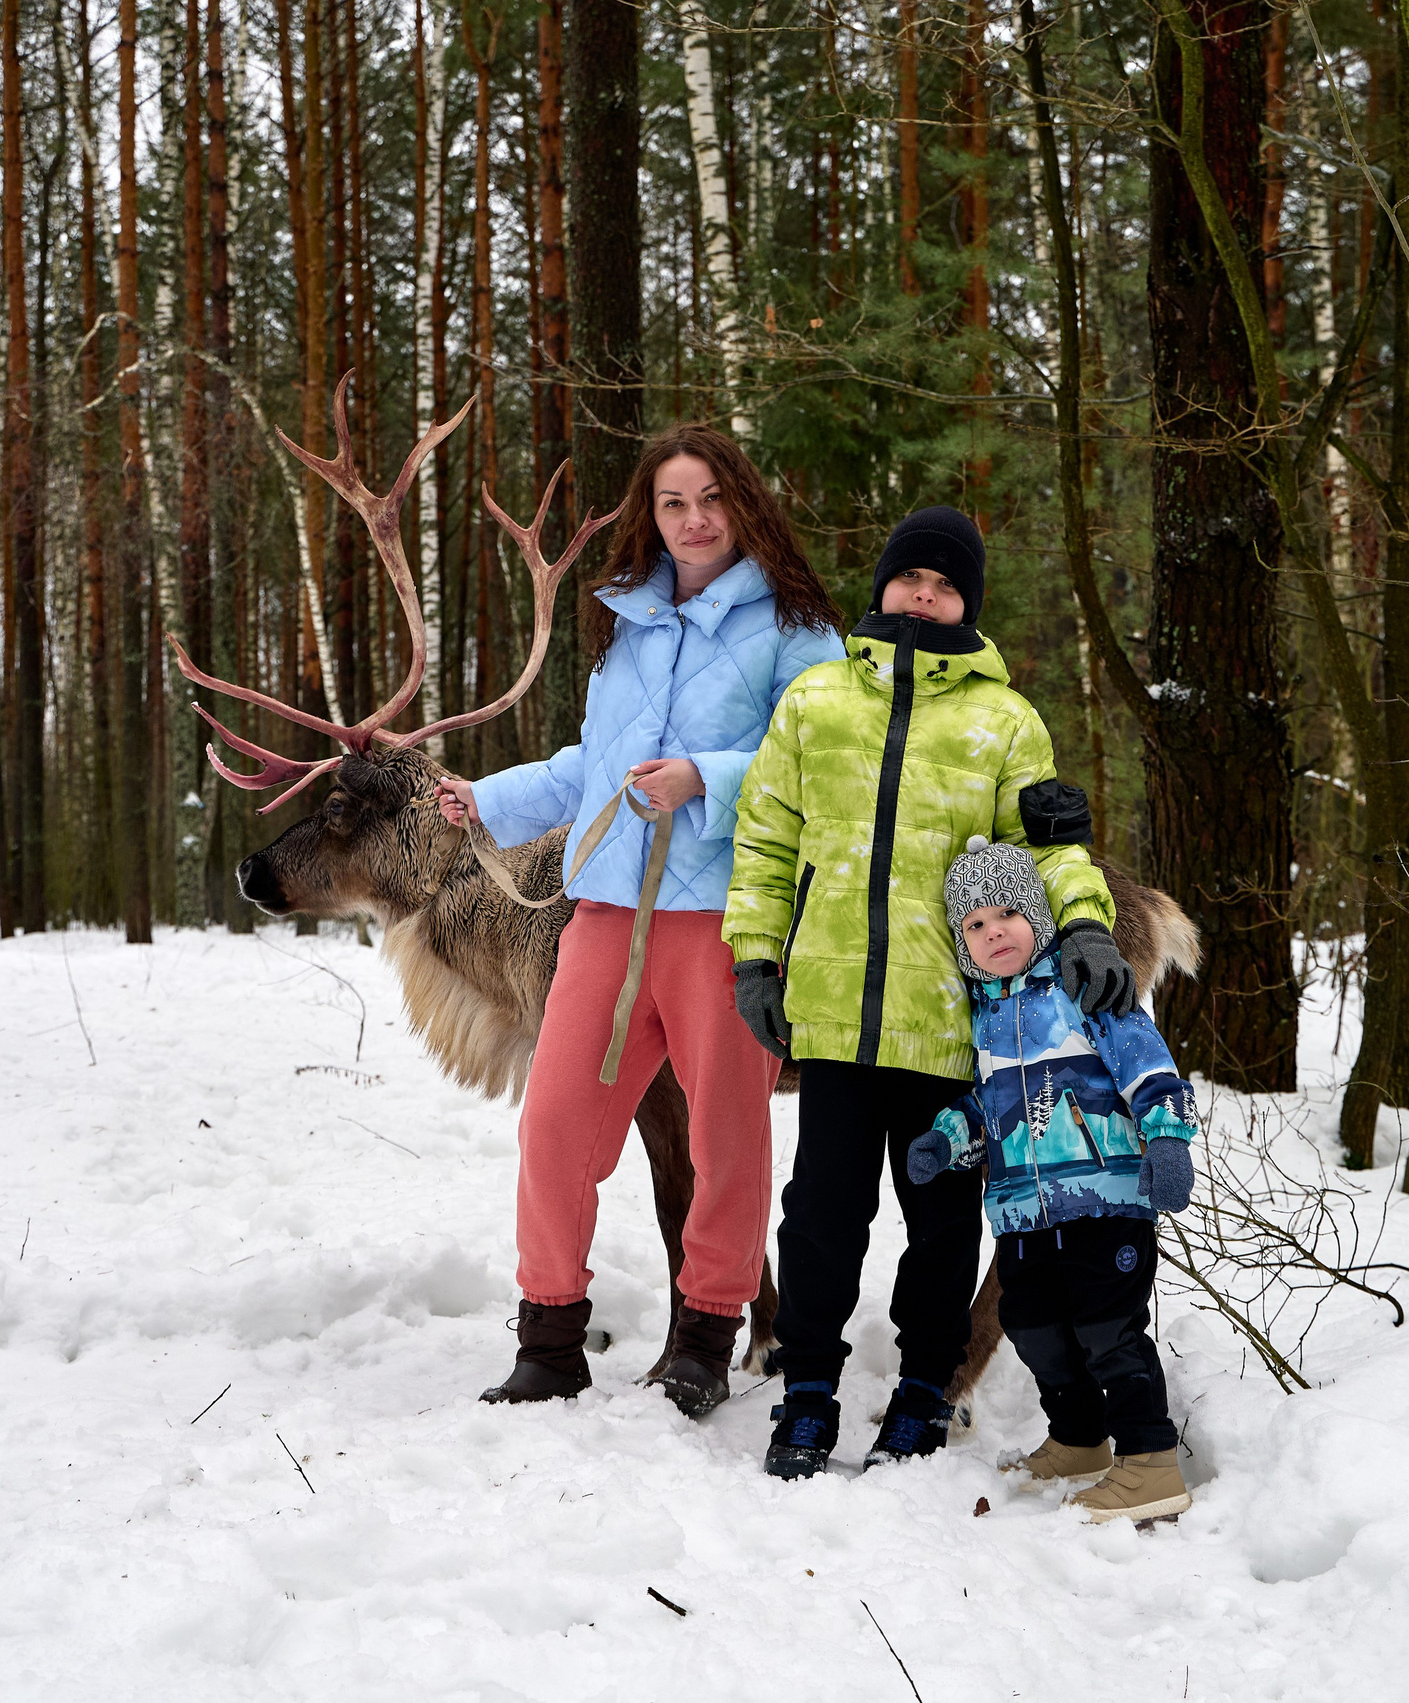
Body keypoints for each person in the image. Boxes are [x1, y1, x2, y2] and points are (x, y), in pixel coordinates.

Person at [723, 504, 1144, 1479]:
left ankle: (923, 1390)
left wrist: (1084, 922)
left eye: (946, 584)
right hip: (834, 1016)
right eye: (911, 575)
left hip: (953, 1026)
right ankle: (807, 1391)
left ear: (968, 603)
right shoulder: (816, 701)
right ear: (883, 583)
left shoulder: (1005, 720)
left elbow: (1047, 848)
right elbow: (767, 838)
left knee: (943, 1223)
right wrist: (755, 955)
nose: (924, 593)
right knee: (820, 1216)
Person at [434, 424, 843, 1414]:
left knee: (724, 1139)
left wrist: (705, 776)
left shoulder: (799, 629)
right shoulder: (630, 623)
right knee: (556, 1125)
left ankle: (706, 1337)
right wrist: (488, 800)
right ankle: (548, 1341)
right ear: (649, 518)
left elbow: (825, 765)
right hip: (609, 914)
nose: (694, 520)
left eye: (710, 499)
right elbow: (594, 767)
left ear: (742, 502)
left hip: (726, 917)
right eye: (673, 503)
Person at [906, 834, 1199, 1523]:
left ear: (1038, 917)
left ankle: (1150, 1461)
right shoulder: (986, 1020)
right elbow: (987, 1104)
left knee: (1108, 1327)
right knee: (1032, 1324)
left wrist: (1167, 1138)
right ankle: (1078, 1438)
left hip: (1105, 1198)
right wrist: (947, 1139)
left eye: (1008, 913)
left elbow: (1148, 1064)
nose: (994, 931)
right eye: (975, 924)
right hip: (1025, 1213)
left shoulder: (1084, 988)